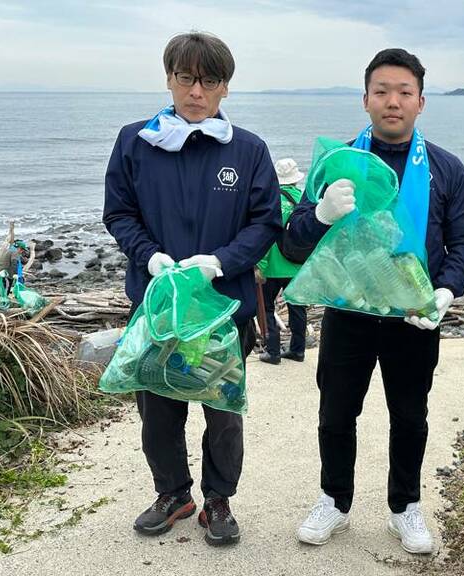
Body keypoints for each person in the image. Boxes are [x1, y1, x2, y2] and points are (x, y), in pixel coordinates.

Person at [284, 48, 464, 554]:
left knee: (410, 414)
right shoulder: (338, 162)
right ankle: (334, 500)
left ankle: (405, 507)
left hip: (415, 316)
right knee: (335, 413)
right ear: (365, 100)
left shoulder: (446, 169)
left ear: (421, 102)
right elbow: (293, 242)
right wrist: (322, 214)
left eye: (404, 92)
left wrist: (447, 289)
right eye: (382, 91)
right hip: (348, 313)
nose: (393, 101)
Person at [102, 31, 282, 547]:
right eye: (186, 78)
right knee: (157, 407)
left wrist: (221, 262)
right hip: (156, 306)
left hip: (223, 308)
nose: (196, 91)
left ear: (225, 87)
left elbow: (265, 221)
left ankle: (219, 499)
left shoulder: (247, 150)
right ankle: (173, 493)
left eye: (209, 81)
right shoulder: (136, 141)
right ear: (169, 79)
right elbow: (119, 212)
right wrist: (148, 255)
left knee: (223, 410)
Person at [256, 158, 308, 365]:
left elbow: (265, 236)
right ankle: (298, 350)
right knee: (297, 307)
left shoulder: (271, 201)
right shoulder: (303, 200)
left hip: (273, 266)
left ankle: (273, 352)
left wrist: (259, 266)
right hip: (297, 265)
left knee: (268, 308)